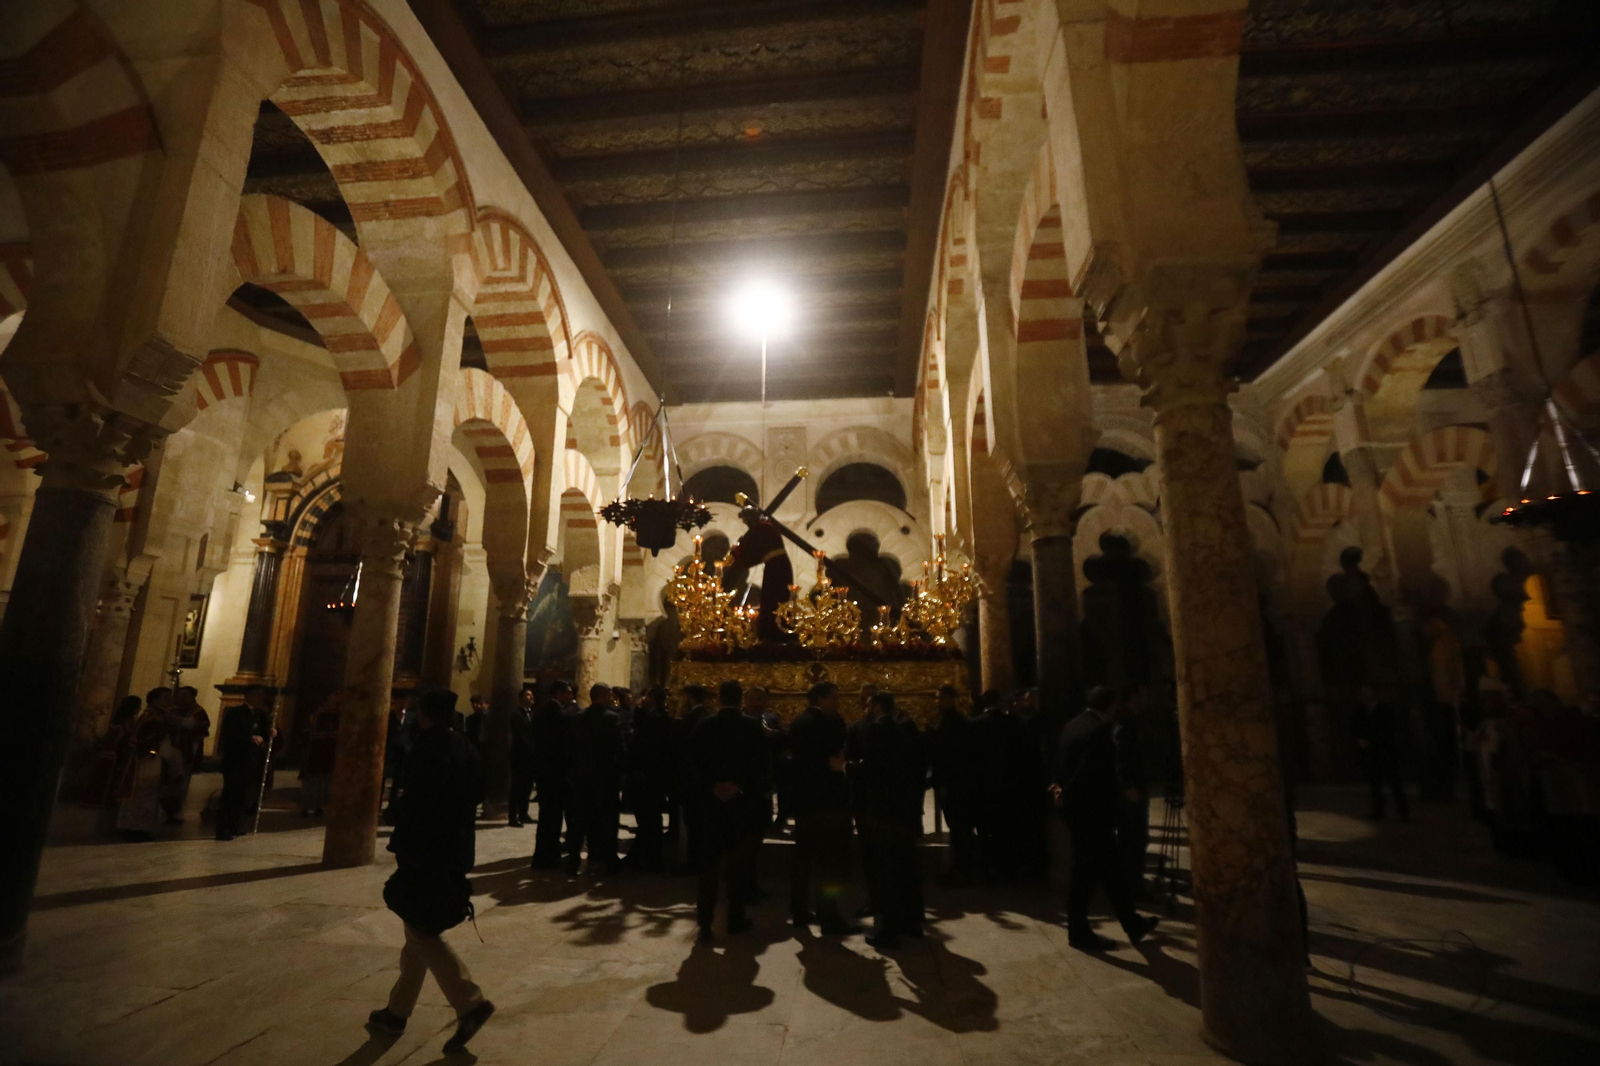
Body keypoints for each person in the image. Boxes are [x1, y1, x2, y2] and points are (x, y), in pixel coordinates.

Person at [366, 689, 495, 1053]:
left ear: (423, 714)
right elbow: (478, 792)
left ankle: (470, 1003)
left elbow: (419, 801)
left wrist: (396, 814)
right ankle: (396, 1012)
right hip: (456, 847)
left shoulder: (427, 748)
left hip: (426, 851)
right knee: (416, 929)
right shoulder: (466, 747)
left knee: (421, 931)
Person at [1050, 687, 1159, 951]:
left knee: (1110, 872)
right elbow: (1088, 774)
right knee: (1084, 876)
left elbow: (1062, 764)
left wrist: (1056, 788)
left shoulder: (1072, 726)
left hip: (1080, 813)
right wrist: (1068, 795)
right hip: (1093, 814)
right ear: (1110, 706)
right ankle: (1079, 933)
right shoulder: (1099, 731)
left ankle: (1132, 923)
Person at [689, 680, 768, 942]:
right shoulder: (751, 727)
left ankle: (704, 922)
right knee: (738, 865)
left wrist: (712, 787)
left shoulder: (704, 726)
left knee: (709, 866)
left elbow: (692, 763)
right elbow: (760, 766)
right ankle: (735, 918)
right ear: (741, 699)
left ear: (719, 698)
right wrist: (738, 786)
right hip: (742, 806)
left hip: (710, 807)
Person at [851, 692, 923, 949]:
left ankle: (889, 931)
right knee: (905, 867)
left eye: (869, 703)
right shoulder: (904, 728)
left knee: (886, 870)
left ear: (877, 706)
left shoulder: (876, 729)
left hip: (883, 809)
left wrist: (847, 767)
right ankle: (912, 923)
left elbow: (873, 768)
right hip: (903, 808)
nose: (866, 707)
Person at [786, 681, 859, 934]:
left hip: (806, 801)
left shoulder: (799, 722)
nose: (838, 703)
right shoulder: (828, 723)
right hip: (827, 801)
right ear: (821, 699)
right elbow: (835, 759)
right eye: (834, 698)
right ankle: (829, 917)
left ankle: (799, 910)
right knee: (828, 861)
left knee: (803, 858)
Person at [566, 683, 626, 875]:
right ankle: (607, 859)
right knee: (606, 820)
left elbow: (571, 747)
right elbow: (619, 749)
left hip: (582, 777)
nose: (611, 698)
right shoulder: (612, 719)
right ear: (600, 696)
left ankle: (574, 859)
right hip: (605, 778)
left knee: (580, 820)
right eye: (609, 694)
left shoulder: (578, 718)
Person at [927, 684, 978, 883]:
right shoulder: (951, 722)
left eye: (941, 698)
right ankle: (960, 869)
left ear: (951, 699)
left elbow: (953, 757)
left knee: (960, 830)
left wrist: (947, 783)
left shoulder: (956, 723)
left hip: (956, 786)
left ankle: (963, 871)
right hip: (953, 784)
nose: (938, 701)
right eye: (937, 698)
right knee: (958, 830)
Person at [623, 686, 672, 872]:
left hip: (649, 776)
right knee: (648, 817)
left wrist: (640, 770)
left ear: (652, 698)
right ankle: (645, 854)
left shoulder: (657, 719)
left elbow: (649, 749)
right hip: (651, 776)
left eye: (647, 696)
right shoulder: (653, 717)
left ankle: (649, 857)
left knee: (648, 816)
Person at [729, 503, 795, 642]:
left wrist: (736, 551)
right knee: (774, 598)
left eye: (747, 520)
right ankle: (776, 629)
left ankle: (773, 632)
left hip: (776, 568)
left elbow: (746, 555)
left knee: (773, 599)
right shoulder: (765, 528)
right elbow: (754, 554)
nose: (747, 523)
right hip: (777, 566)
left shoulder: (760, 529)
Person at [530, 681, 577, 869]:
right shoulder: (559, 715)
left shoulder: (540, 712)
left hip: (543, 771)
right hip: (557, 772)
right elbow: (565, 745)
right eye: (568, 692)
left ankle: (542, 855)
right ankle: (550, 856)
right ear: (558, 693)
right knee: (554, 817)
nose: (571, 695)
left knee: (546, 816)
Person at [113, 689, 172, 839]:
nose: (168, 701)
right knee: (143, 793)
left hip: (150, 759)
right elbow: (148, 739)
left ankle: (135, 826)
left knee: (144, 794)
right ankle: (137, 828)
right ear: (154, 700)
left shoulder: (154, 716)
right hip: (147, 760)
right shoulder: (152, 717)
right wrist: (157, 751)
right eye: (165, 698)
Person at [216, 686, 272, 841]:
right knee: (230, 795)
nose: (261, 698)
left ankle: (236, 825)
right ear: (248, 695)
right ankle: (223, 828)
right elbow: (230, 734)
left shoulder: (260, 715)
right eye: (258, 695)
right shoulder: (235, 713)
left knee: (243, 796)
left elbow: (264, 733)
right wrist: (249, 738)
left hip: (251, 761)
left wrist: (271, 732)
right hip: (235, 760)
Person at [1114, 685, 1152, 898]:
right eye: (1141, 695)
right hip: (1131, 791)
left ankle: (1130, 883)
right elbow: (1121, 754)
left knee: (1134, 839)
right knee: (1133, 839)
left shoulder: (1129, 720)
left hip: (1134, 787)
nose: (1145, 699)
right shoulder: (1126, 722)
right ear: (1132, 697)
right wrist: (1128, 786)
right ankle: (1131, 886)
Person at [671, 684, 713, 872]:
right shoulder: (705, 716)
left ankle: (694, 862)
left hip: (692, 779)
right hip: (700, 778)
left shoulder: (694, 718)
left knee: (694, 822)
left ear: (689, 697)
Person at [1353, 685, 1410, 821]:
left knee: (1394, 782)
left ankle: (1403, 812)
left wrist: (1371, 739)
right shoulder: (1361, 711)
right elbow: (1356, 727)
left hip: (1385, 750)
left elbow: (1388, 729)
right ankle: (1379, 811)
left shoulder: (1384, 710)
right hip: (1372, 753)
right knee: (1375, 783)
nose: (1365, 696)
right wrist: (1360, 739)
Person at [161, 686, 211, 824]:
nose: (182, 697)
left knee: (181, 782)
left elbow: (193, 725)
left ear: (192, 696)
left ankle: (176, 812)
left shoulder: (198, 712)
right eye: (180, 694)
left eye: (186, 695)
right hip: (169, 750)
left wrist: (173, 719)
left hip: (187, 751)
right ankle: (164, 810)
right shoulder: (172, 709)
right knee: (166, 781)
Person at [299, 694, 341, 817]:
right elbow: (308, 732)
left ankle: (320, 805)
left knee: (325, 780)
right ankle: (306, 806)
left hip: (329, 751)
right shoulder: (317, 714)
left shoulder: (339, 715)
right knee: (312, 781)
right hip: (315, 751)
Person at [508, 684, 538, 827]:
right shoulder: (517, 715)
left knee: (527, 787)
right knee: (517, 787)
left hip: (531, 757)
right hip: (520, 756)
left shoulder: (532, 714)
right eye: (527, 695)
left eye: (531, 695)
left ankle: (524, 813)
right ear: (520, 698)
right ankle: (513, 816)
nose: (531, 697)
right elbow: (520, 736)